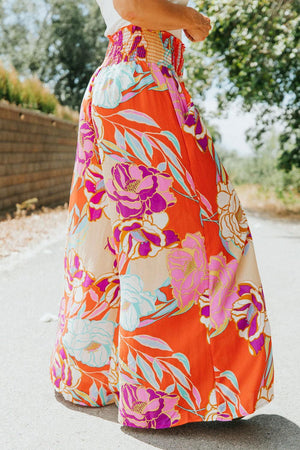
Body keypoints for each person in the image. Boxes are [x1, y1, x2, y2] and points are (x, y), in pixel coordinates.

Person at [49, 0, 274, 429]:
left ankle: (93, 376)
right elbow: (133, 5)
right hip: (143, 82)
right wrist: (193, 20)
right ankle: (173, 393)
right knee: (193, 230)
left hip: (121, 83)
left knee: (104, 236)